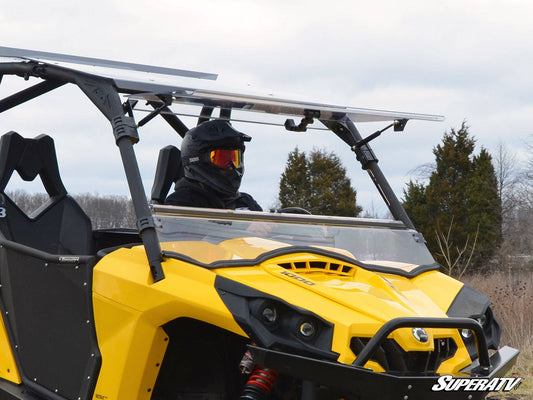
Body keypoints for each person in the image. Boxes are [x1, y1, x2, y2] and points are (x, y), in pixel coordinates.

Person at [165, 119, 262, 211]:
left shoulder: (245, 202)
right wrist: (245, 228)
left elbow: (270, 226)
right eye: (222, 159)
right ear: (198, 161)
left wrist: (268, 227)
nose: (231, 166)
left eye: (235, 159)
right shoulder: (181, 203)